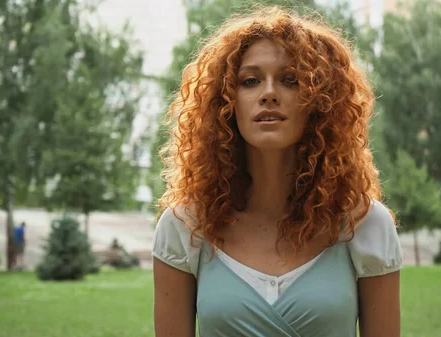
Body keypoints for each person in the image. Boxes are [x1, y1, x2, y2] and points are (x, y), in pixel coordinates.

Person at [152, 6, 403, 337]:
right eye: (251, 81)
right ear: (226, 101)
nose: (268, 93)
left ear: (319, 101)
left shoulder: (364, 226)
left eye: (290, 80)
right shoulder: (185, 227)